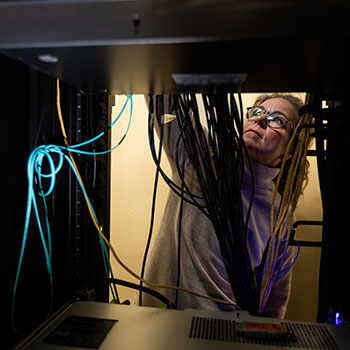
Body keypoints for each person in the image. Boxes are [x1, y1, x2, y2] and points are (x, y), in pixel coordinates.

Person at [141, 93, 305, 319]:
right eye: (257, 112)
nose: (260, 120)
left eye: (277, 119)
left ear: (289, 153)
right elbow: (163, 101)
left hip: (221, 331)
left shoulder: (279, 215)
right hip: (159, 321)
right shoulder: (202, 159)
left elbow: (274, 303)